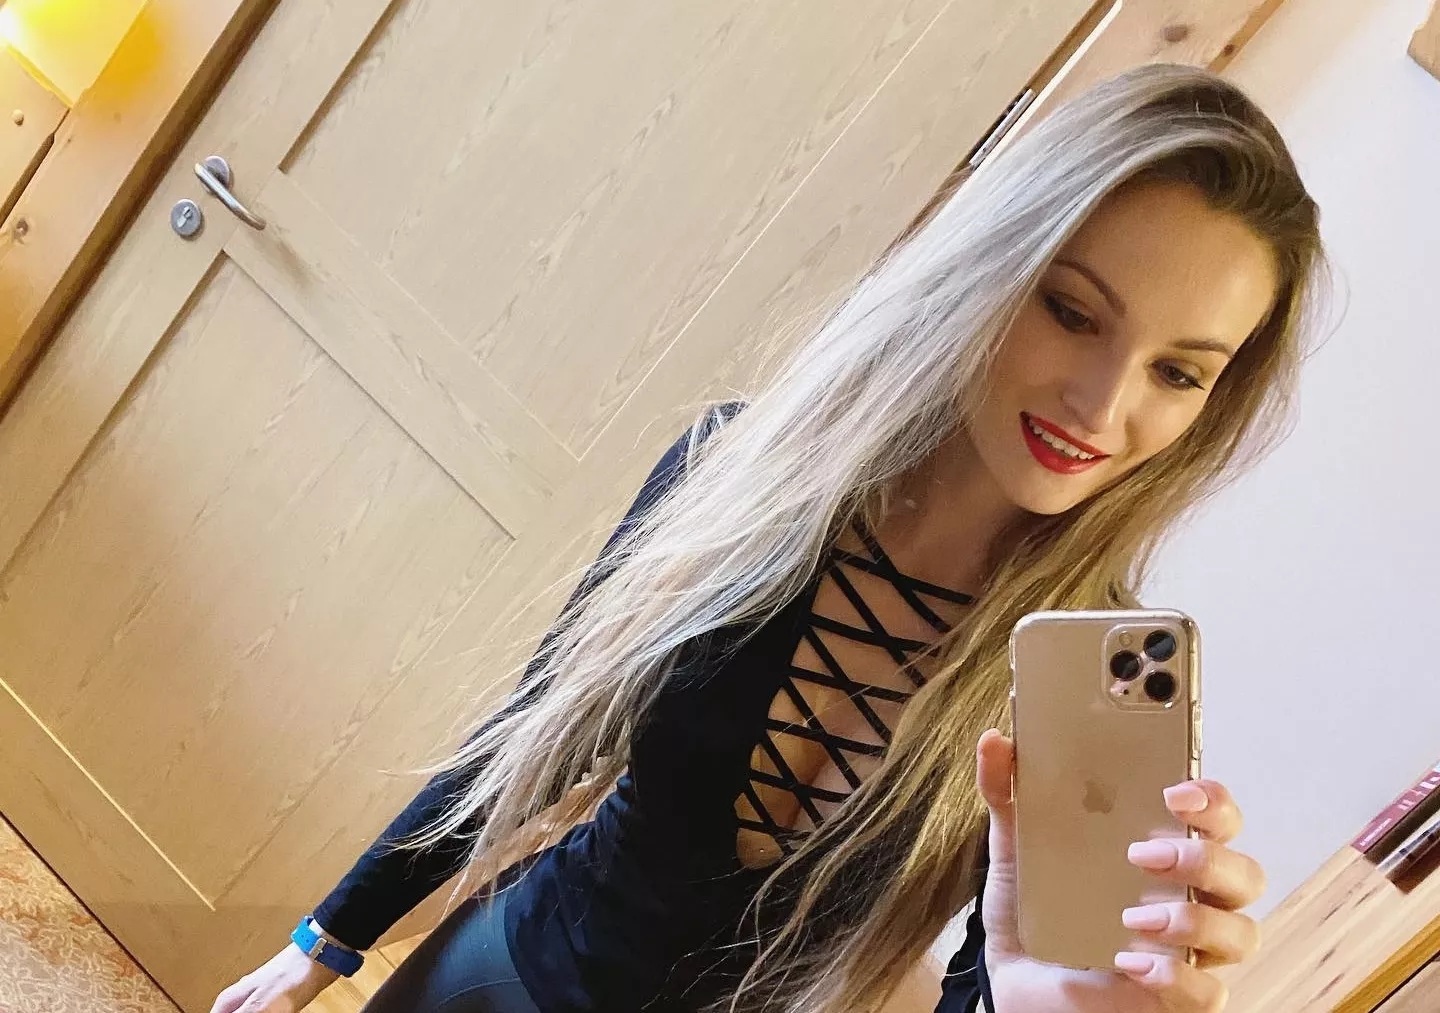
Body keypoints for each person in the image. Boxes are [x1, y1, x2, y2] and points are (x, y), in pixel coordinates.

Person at [212, 63, 1323, 1013]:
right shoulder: (741, 467)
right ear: (991, 266)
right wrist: (327, 938)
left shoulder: (1095, 670)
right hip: (500, 981)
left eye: (1178, 372)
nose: (1102, 403)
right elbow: (543, 720)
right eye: (1073, 311)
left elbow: (987, 977)